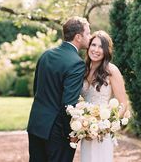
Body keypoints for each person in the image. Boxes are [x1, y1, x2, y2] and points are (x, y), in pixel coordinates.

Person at [27, 16, 91, 162]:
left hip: (36, 125)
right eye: (88, 33)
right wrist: (72, 133)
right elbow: (68, 104)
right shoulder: (77, 63)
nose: (90, 37)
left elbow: (36, 89)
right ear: (78, 37)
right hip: (57, 132)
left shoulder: (46, 55)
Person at [80, 30, 129, 162]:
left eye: (101, 47)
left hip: (103, 131)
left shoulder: (111, 70)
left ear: (106, 50)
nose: (96, 50)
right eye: (93, 45)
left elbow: (123, 104)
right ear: (88, 47)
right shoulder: (83, 70)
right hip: (86, 130)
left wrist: (106, 125)